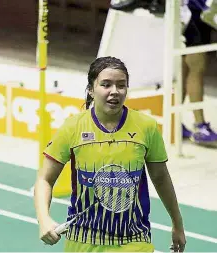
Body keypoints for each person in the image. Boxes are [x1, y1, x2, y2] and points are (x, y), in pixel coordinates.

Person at [34, 57, 186, 252]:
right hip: (83, 240)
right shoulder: (72, 128)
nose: (114, 91)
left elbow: (160, 177)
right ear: (91, 89)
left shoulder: (146, 127)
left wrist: (177, 223)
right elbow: (45, 179)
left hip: (133, 239)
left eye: (121, 85)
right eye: (106, 84)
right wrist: (44, 219)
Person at [181, 0, 217, 145]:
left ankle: (174, 122)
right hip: (194, 14)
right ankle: (200, 126)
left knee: (183, 68)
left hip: (188, 13)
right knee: (196, 67)